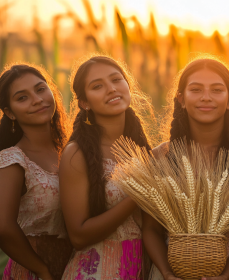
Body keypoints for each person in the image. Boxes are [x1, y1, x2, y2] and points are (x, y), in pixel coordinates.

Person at [144, 55, 229, 280]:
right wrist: (168, 274)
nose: (206, 98)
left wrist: (224, 276)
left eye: (217, 90)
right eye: (196, 90)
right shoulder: (161, 157)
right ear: (180, 98)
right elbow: (150, 230)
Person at [59, 55, 154, 280]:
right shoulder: (77, 153)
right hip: (97, 270)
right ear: (85, 103)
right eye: (97, 86)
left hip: (141, 268)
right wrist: (137, 196)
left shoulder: (141, 148)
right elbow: (79, 236)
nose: (111, 89)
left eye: (116, 80)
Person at [0, 63, 72, 280]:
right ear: (10, 113)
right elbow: (0, 226)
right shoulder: (13, 160)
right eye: (22, 97)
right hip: (35, 269)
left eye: (40, 89)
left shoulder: (70, 150)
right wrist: (42, 269)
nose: (36, 99)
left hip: (78, 263)